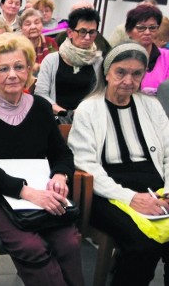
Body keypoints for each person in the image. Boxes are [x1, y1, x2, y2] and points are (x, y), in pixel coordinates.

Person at [0, 33, 84, 286]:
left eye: (19, 67)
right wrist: (25, 192)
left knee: (70, 242)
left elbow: (61, 153)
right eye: (3, 69)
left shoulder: (40, 107)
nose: (12, 75)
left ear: (29, 69)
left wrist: (61, 175)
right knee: (31, 246)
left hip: (43, 191)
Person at [68, 42, 169, 286]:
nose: (128, 80)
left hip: (156, 189)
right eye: (121, 72)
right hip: (106, 192)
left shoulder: (152, 106)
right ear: (107, 73)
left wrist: (167, 192)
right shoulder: (88, 109)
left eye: (137, 74)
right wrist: (131, 198)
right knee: (142, 245)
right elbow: (87, 165)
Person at [35, 7, 104, 122]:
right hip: (56, 117)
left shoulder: (98, 61)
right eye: (82, 31)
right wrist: (64, 113)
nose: (87, 37)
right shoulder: (52, 60)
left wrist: (82, 112)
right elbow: (41, 94)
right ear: (70, 32)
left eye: (92, 32)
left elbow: (100, 94)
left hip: (87, 118)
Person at [124, 5, 169, 96]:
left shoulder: (166, 57)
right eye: (141, 28)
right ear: (129, 31)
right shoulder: (119, 57)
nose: (147, 32)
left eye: (152, 28)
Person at [19, 8, 58, 75]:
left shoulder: (50, 42)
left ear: (42, 25)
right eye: (28, 24)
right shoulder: (16, 45)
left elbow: (57, 64)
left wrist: (38, 67)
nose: (33, 27)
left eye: (37, 23)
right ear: (21, 28)